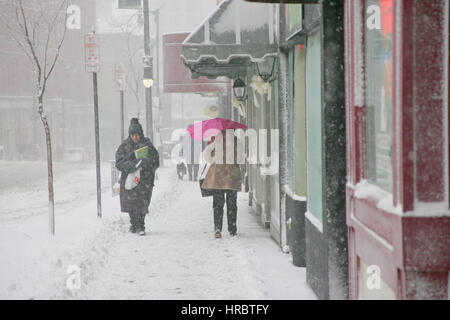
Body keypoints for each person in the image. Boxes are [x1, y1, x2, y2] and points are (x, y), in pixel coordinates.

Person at [115, 118, 159, 236]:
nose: (135, 137)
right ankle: (134, 223)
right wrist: (133, 166)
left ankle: (140, 225)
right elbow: (119, 163)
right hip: (129, 181)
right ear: (130, 135)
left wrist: (145, 164)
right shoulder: (124, 146)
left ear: (141, 134)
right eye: (133, 135)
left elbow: (156, 161)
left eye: (137, 135)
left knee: (141, 203)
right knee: (131, 204)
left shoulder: (147, 145)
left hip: (144, 180)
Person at [201, 130, 242, 239]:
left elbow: (207, 158)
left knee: (218, 204)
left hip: (218, 176)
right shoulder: (235, 141)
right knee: (232, 204)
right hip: (232, 177)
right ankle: (232, 229)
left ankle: (218, 229)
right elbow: (241, 158)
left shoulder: (214, 141)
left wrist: (216, 158)